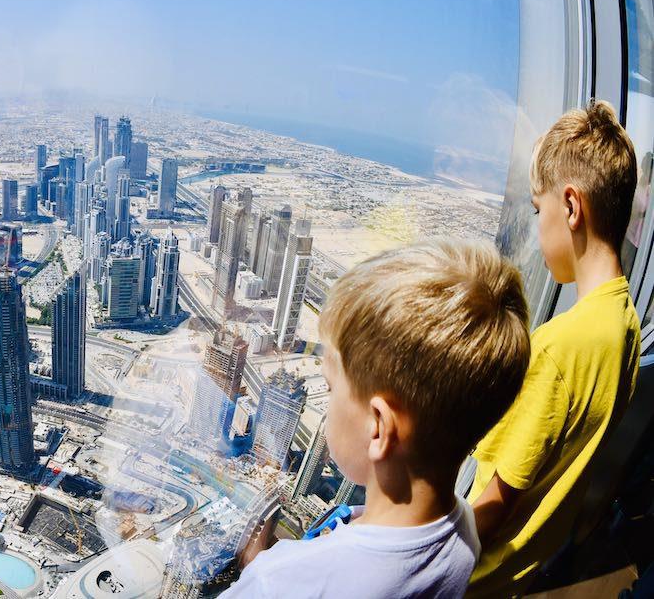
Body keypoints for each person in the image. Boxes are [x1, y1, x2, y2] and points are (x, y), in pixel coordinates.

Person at [222, 239, 530, 598]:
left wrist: (254, 566)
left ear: (379, 427)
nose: (326, 401)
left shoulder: (281, 582)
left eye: (331, 387)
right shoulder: (462, 528)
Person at [468, 99, 641, 597]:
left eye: (537, 208)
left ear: (570, 206)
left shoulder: (558, 348)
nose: (537, 225)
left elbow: (494, 507)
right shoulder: (624, 325)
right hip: (525, 573)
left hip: (474, 580)